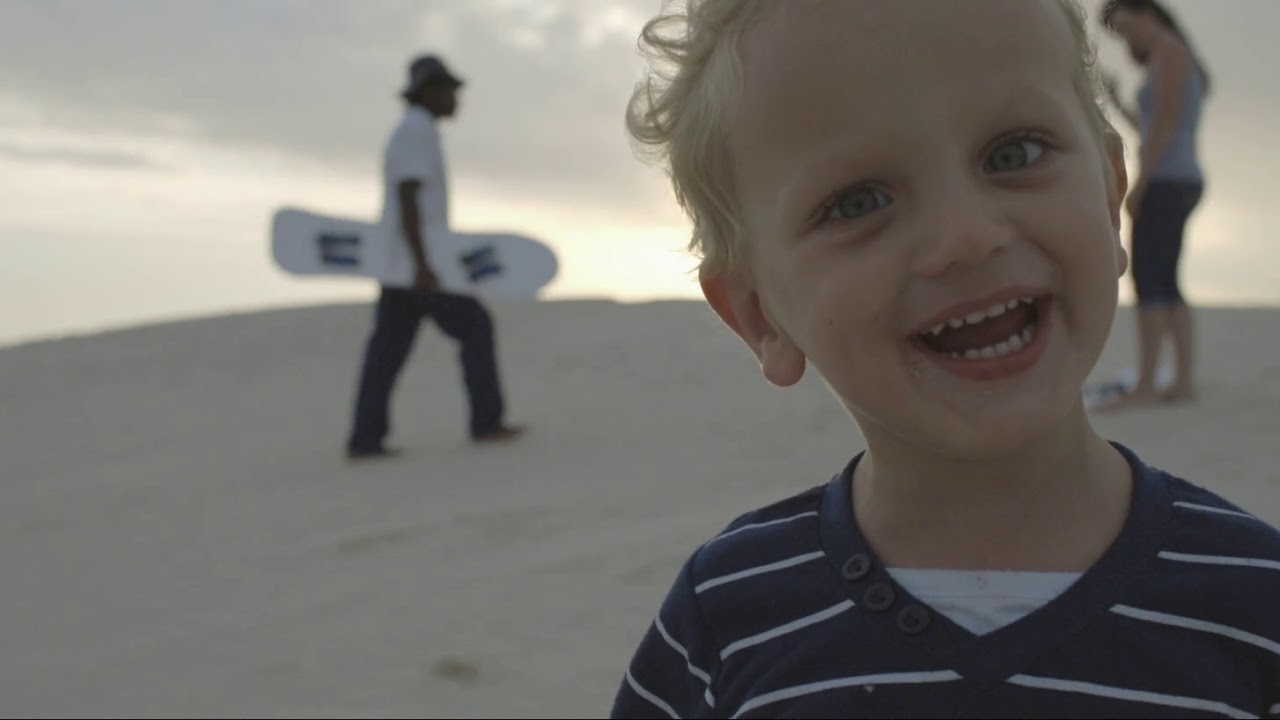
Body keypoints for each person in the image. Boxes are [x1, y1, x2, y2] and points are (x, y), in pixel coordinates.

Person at [611, 1, 1280, 717]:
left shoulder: (1253, 602)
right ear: (759, 316)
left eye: (1013, 153)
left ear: (1111, 194)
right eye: (857, 201)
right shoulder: (727, 617)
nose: (966, 237)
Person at [346, 55, 524, 460]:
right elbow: (409, 197)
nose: (455, 98)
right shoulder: (414, 132)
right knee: (475, 328)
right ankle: (486, 423)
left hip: (403, 266)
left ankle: (365, 439)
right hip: (420, 266)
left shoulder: (415, 131)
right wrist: (424, 265)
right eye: (448, 90)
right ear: (426, 92)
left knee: (387, 352)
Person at [1095, 0, 1208, 410]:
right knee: (1167, 281)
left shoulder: (1171, 52)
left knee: (1149, 280)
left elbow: (1161, 129)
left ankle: (1146, 384)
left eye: (1126, 27)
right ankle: (1182, 382)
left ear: (1148, 16)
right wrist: (1116, 98)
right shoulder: (1170, 55)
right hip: (1179, 177)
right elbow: (1149, 126)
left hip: (1167, 179)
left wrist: (1139, 185)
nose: (1126, 38)